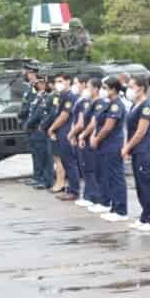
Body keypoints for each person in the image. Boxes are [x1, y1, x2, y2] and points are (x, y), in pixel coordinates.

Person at [122, 74, 150, 232]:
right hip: (138, 151)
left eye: (132, 86)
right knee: (140, 185)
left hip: (145, 149)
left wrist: (126, 147)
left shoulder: (146, 106)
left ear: (141, 88)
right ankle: (145, 215)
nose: (129, 90)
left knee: (147, 185)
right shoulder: (135, 105)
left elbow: (140, 132)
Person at [90, 76, 129, 222]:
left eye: (105, 88)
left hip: (112, 144)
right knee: (107, 176)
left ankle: (120, 209)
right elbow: (98, 122)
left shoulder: (116, 105)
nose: (102, 90)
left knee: (116, 177)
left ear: (113, 89)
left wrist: (97, 138)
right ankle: (113, 206)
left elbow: (108, 126)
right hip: (104, 145)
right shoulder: (108, 103)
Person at [46, 74, 80, 201]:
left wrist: (52, 128)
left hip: (66, 131)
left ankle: (74, 190)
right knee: (65, 162)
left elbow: (64, 116)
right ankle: (70, 189)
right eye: (56, 81)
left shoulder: (70, 97)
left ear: (68, 81)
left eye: (60, 81)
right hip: (61, 132)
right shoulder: (61, 96)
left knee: (70, 162)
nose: (57, 84)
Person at [79, 77, 111, 213]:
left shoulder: (100, 103)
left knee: (96, 170)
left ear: (96, 89)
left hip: (94, 139)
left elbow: (94, 123)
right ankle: (91, 196)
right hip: (89, 139)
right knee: (90, 169)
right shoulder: (92, 102)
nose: (88, 90)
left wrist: (85, 135)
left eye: (90, 87)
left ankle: (98, 198)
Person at [68, 77, 96, 207]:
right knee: (84, 167)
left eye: (76, 83)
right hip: (80, 136)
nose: (75, 86)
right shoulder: (80, 99)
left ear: (83, 84)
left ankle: (91, 196)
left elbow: (81, 123)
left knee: (88, 168)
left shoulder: (85, 101)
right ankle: (88, 195)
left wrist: (72, 134)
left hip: (84, 137)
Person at [25, 77, 54, 190]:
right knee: (38, 156)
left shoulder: (46, 97)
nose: (38, 85)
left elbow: (39, 114)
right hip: (34, 129)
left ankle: (46, 180)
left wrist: (29, 124)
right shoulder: (39, 97)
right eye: (38, 83)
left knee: (45, 157)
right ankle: (39, 178)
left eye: (41, 83)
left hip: (40, 130)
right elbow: (32, 112)